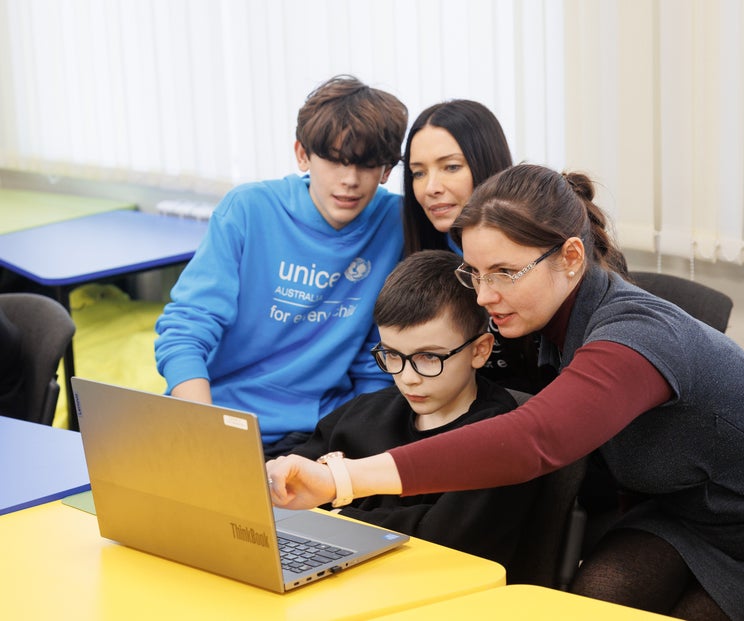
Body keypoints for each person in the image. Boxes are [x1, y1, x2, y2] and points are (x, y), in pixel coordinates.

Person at [267, 164, 744, 620]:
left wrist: (343, 480)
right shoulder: (554, 325)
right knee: (597, 596)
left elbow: (534, 437)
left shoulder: (637, 336)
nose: (484, 295)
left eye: (504, 273)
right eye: (475, 273)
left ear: (571, 257)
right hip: (695, 518)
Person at [155, 75, 408, 455]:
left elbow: (377, 357)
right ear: (303, 154)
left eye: (367, 165)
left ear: (387, 170)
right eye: (335, 160)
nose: (350, 180)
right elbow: (186, 330)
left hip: (323, 432)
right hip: (219, 420)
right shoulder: (248, 209)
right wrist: (206, 432)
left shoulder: (397, 224)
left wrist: (361, 437)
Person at [276, 249, 541, 573]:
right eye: (392, 355)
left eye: (429, 357)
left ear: (479, 351)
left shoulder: (500, 438)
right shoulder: (365, 412)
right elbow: (292, 484)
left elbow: (445, 540)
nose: (407, 377)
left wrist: (335, 515)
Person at [401, 99, 556, 394]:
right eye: (418, 173)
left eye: (451, 167)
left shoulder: (542, 246)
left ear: (486, 163)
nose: (431, 188)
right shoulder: (421, 250)